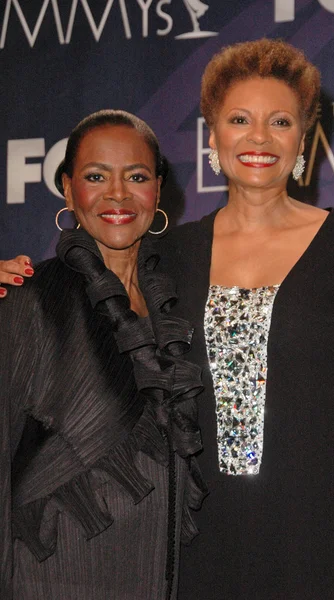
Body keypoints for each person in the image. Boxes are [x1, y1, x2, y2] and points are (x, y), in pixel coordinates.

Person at [1, 38, 334, 600]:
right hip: (197, 542)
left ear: (303, 139)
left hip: (328, 530)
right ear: (213, 137)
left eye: (279, 121)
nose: (258, 137)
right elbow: (81, 290)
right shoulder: (166, 256)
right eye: (239, 119)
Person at [0, 109, 205, 600]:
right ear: (68, 190)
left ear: (158, 189)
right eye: (96, 177)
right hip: (56, 571)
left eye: (136, 176)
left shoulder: (179, 299)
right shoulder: (31, 298)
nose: (117, 194)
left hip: (158, 572)